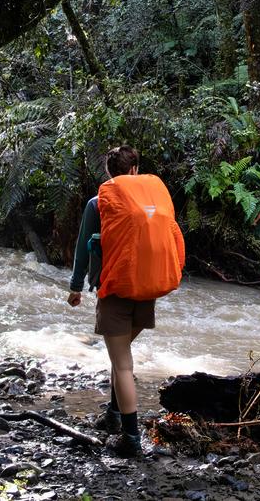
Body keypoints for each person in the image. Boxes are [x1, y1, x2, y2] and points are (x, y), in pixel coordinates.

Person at [67, 145, 184, 457]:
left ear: (109, 172)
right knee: (121, 354)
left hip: (116, 292)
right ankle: (113, 415)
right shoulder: (152, 204)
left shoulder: (99, 203)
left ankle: (130, 438)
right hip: (147, 290)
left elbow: (82, 249)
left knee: (121, 363)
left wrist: (76, 287)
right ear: (135, 170)